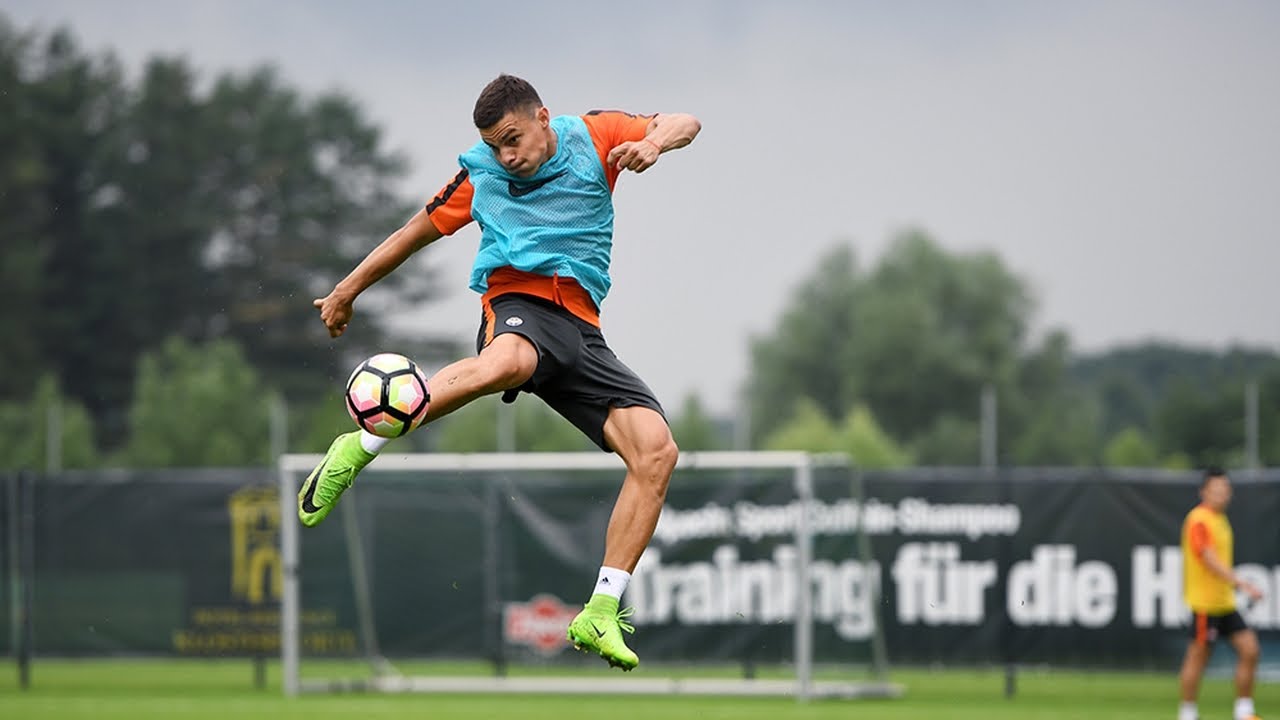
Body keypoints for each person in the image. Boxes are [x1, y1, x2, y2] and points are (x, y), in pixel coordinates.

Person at [298, 74, 701, 671]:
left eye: (512, 140)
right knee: (511, 361)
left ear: (543, 117)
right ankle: (359, 445)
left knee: (657, 453)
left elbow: (684, 120)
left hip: (582, 332)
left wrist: (654, 145)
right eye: (494, 146)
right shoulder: (482, 174)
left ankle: (599, 610)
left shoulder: (596, 136)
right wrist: (345, 290)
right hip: (516, 304)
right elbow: (416, 230)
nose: (506, 156)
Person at [1177, 467, 1265, 720]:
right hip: (1205, 603)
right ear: (1203, 492)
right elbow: (1207, 557)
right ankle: (1187, 713)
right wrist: (1242, 583)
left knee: (1250, 650)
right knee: (1198, 657)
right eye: (1216, 490)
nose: (1222, 494)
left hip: (1224, 602)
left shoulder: (1220, 519)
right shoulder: (1199, 519)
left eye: (1225, 490)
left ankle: (1244, 712)